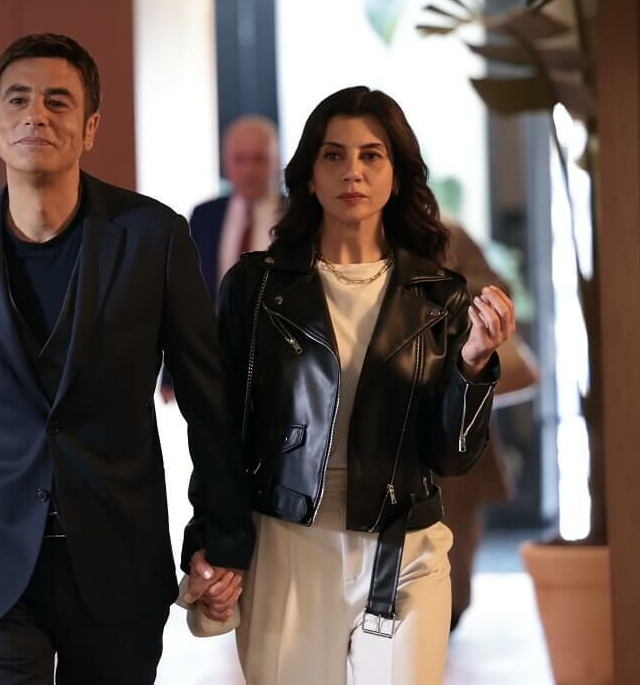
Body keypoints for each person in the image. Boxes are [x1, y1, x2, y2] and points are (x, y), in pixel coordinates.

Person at [0, 33, 253, 685]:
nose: (35, 116)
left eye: (57, 101)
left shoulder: (154, 238)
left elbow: (206, 398)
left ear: (90, 126)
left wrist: (219, 535)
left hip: (117, 561)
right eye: (18, 100)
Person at [211, 86, 515, 684]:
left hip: (405, 547)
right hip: (288, 544)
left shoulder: (440, 297)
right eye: (334, 155)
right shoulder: (256, 289)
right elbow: (221, 431)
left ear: (396, 176)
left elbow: (453, 456)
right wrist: (214, 540)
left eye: (372, 155)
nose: (353, 170)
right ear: (309, 174)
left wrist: (475, 364)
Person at [440, 222, 538, 630]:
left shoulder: (444, 233)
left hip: (451, 414)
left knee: (453, 535)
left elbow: (496, 292)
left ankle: (450, 614)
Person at [160, 115, 281, 403]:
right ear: (227, 163)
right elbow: (185, 295)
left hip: (278, 361)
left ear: (276, 161)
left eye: (259, 159)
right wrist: (170, 373)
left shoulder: (296, 215)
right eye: (240, 159)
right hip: (216, 362)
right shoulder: (205, 216)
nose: (249, 170)